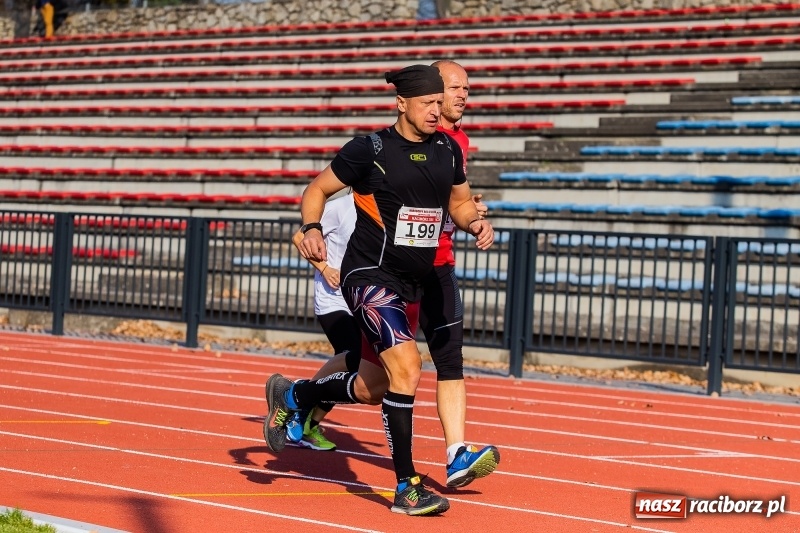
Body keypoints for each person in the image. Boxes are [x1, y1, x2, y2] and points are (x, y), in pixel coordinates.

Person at [263, 63, 493, 516]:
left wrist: (475, 222)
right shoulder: (369, 149)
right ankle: (406, 487)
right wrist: (310, 227)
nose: (434, 111)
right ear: (402, 103)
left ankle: (296, 396)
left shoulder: (447, 148)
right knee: (408, 368)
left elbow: (460, 202)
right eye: (426, 103)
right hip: (368, 275)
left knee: (374, 387)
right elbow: (316, 189)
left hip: (413, 282)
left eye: (436, 102)